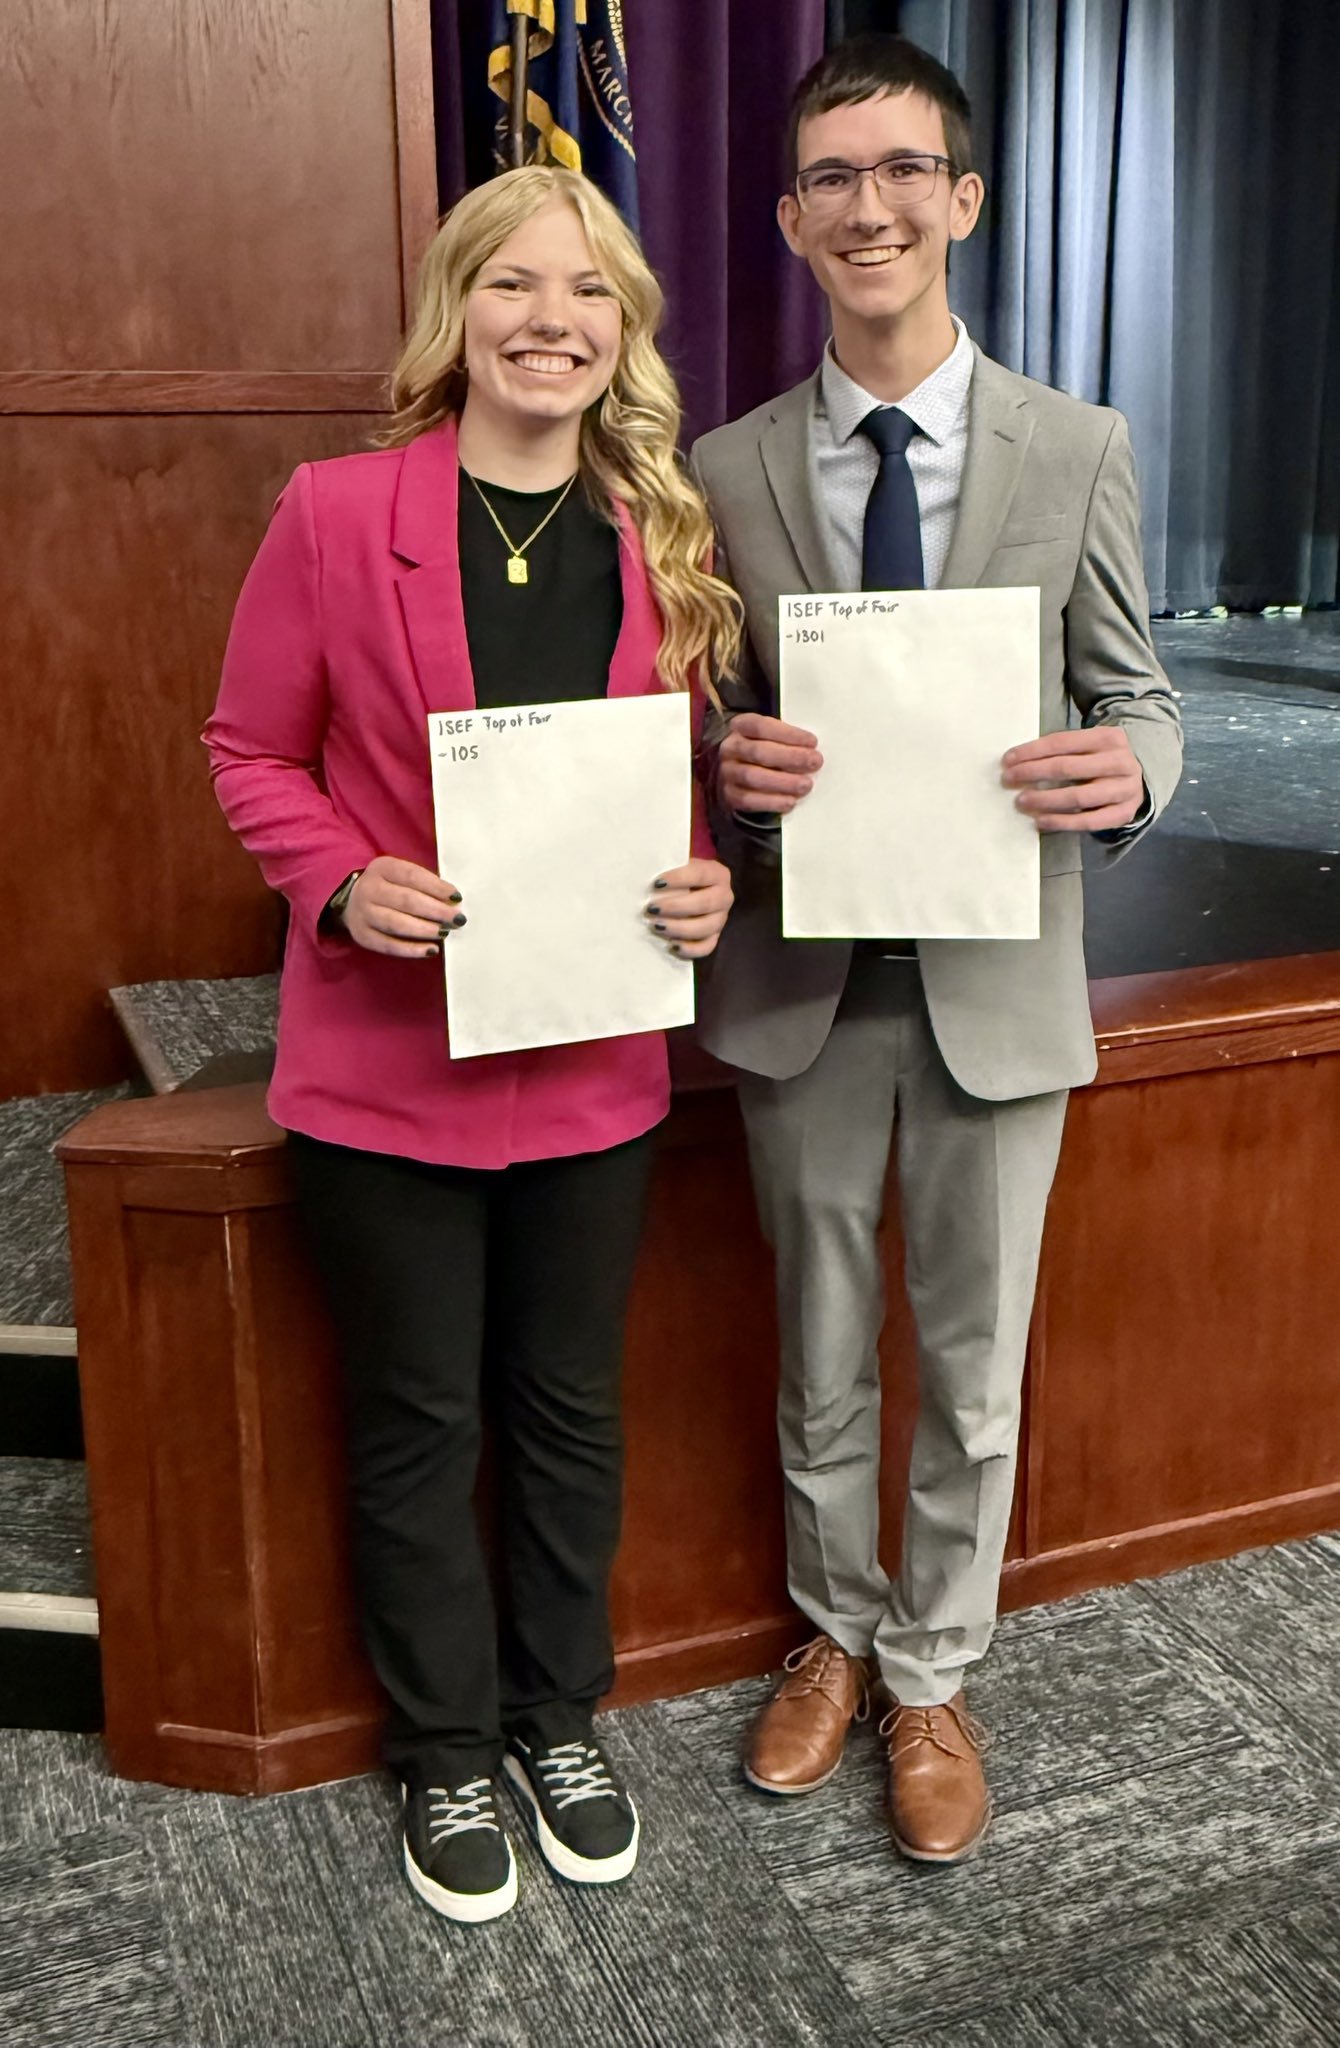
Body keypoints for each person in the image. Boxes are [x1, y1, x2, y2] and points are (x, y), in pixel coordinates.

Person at [203, 166, 737, 1924]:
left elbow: (672, 784)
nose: (550, 320)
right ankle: (443, 1747)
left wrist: (704, 882)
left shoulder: (662, 527)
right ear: (457, 308)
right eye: (513, 283)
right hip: (386, 1064)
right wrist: (339, 879)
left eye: (586, 292)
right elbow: (248, 751)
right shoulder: (338, 510)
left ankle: (554, 1719)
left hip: (592, 1060)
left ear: (622, 330)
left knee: (571, 1412)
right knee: (419, 1419)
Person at [691, 34, 1183, 1863]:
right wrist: (729, 771)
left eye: (905, 170)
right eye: (832, 177)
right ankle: (831, 1635)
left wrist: (1132, 770)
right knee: (819, 1348)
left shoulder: (1078, 444)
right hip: (804, 988)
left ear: (962, 199)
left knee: (974, 1370)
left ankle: (932, 1672)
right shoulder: (727, 466)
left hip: (997, 981)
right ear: (791, 220)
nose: (871, 205)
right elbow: (707, 715)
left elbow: (1142, 694)